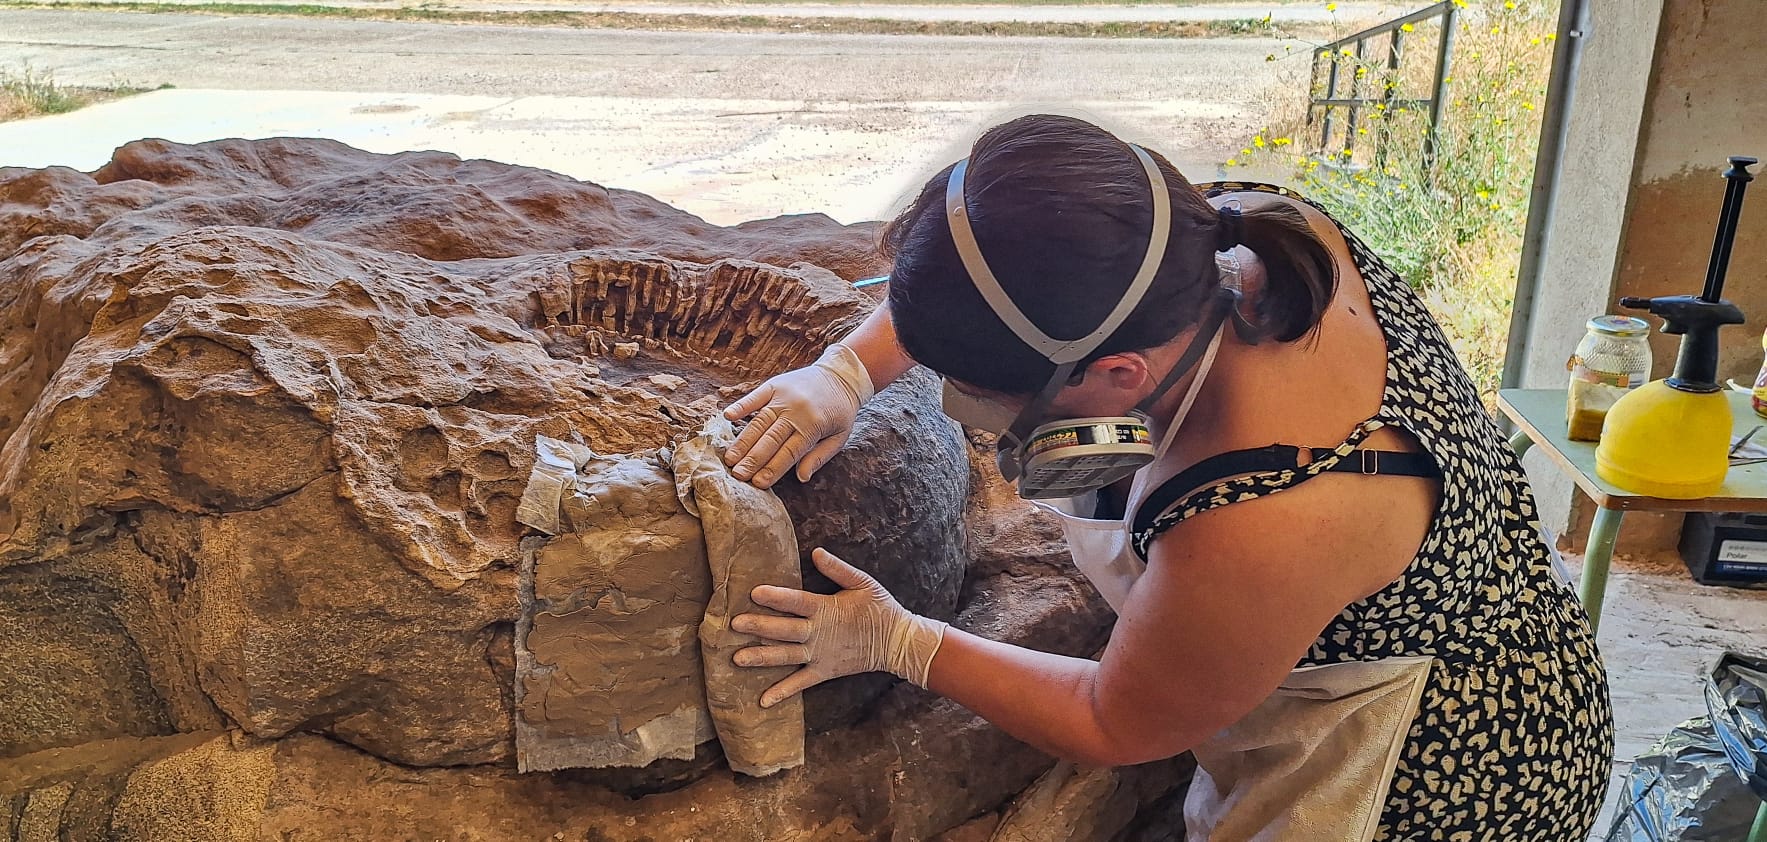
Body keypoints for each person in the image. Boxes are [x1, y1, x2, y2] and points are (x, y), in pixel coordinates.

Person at [719, 114, 1613, 840]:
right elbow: (1012, 267)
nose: (964, 404)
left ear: (1115, 379)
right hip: (1480, 595)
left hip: (1449, 768)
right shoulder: (1209, 234)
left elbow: (1121, 721)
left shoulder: (1261, 519)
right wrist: (843, 370)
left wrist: (901, 642)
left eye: (982, 394)